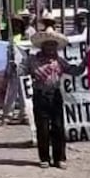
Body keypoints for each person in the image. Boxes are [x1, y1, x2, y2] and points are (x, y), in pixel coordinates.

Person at [23, 27, 86, 168]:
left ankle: (59, 158)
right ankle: (44, 158)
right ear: (43, 46)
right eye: (49, 44)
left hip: (56, 95)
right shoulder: (33, 61)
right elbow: (21, 71)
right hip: (40, 96)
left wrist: (85, 63)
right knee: (43, 128)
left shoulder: (60, 61)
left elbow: (74, 71)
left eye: (53, 45)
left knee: (58, 127)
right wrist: (13, 64)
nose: (51, 48)